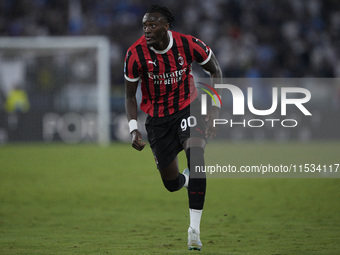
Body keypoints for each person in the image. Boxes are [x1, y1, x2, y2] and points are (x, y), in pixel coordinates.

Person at [124, 4, 222, 251]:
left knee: (196, 158)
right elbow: (129, 96)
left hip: (187, 108)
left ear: (166, 27)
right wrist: (133, 128)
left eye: (153, 25)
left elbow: (215, 70)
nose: (147, 30)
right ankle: (185, 181)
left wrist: (214, 109)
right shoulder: (135, 54)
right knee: (171, 183)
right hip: (157, 121)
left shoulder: (188, 44)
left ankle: (194, 232)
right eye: (145, 25)